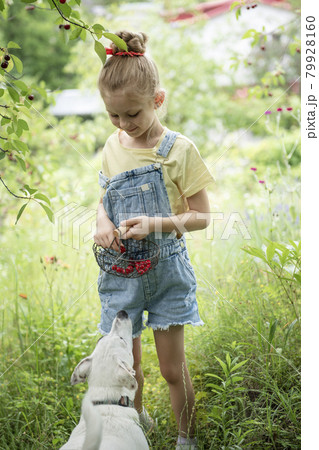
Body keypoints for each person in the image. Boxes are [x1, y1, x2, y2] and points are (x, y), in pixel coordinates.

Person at [94, 31, 214, 450]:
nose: (124, 125)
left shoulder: (179, 150)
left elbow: (202, 217)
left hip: (166, 273)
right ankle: (136, 423)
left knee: (170, 368)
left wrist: (156, 223)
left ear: (157, 100)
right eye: (114, 116)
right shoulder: (113, 145)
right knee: (129, 366)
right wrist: (102, 222)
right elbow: (104, 197)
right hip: (123, 272)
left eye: (133, 114)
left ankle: (186, 438)